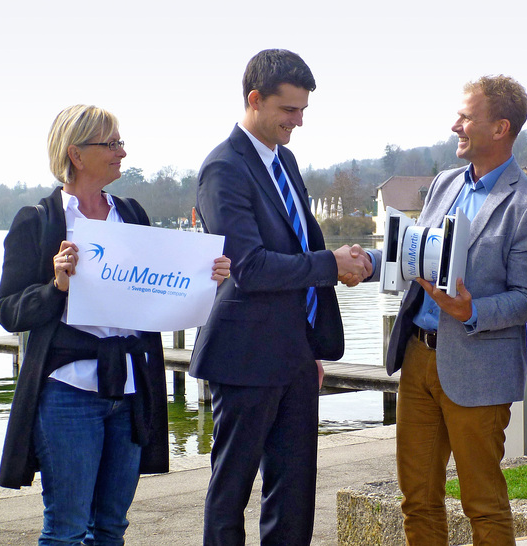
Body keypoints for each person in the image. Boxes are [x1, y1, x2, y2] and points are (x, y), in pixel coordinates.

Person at [0, 104, 231, 545]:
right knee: (65, 528)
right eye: (112, 143)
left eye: (120, 142)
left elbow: (159, 287)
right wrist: (57, 285)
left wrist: (206, 276)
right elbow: (8, 310)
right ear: (77, 154)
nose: (123, 152)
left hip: (130, 390)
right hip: (67, 392)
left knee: (111, 526)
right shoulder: (39, 220)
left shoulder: (132, 214)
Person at [191, 49, 371, 546]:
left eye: (303, 111)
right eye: (289, 110)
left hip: (295, 353)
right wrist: (330, 265)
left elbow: (301, 243)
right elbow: (248, 267)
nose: (298, 121)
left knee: (294, 493)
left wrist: (311, 344)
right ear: (255, 99)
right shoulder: (223, 168)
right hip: (243, 356)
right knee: (231, 492)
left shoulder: (285, 161)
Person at [382, 76, 527, 545]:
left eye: (465, 117)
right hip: (418, 359)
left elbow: (526, 298)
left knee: (484, 506)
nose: (455, 124)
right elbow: (415, 250)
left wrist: (470, 310)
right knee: (416, 500)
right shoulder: (444, 183)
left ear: (500, 128)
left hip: (478, 370)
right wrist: (363, 261)